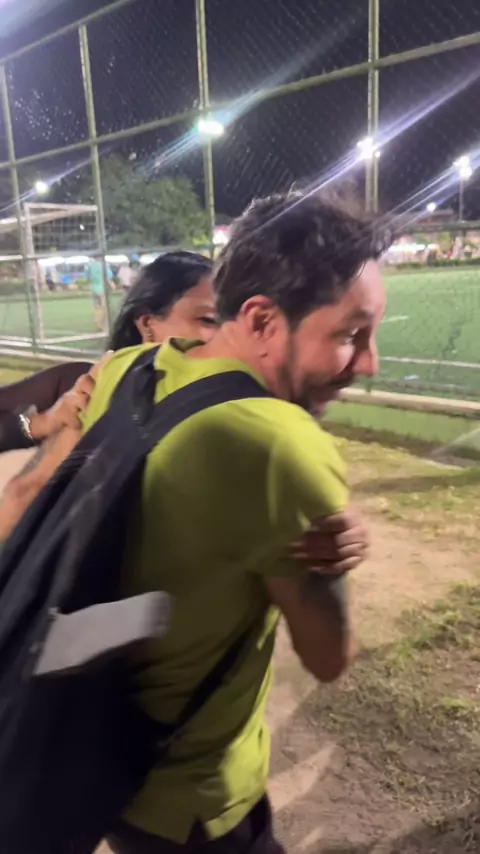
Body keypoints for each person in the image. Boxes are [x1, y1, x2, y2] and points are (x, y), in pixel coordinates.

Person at [75, 191, 390, 853]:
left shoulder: (129, 369)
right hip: (197, 802)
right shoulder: (277, 444)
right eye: (349, 335)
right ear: (263, 319)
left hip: (99, 761)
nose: (369, 363)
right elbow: (329, 657)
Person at [0, 252, 216, 456]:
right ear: (147, 324)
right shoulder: (83, 384)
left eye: (231, 320)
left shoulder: (223, 401)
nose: (225, 334)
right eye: (208, 320)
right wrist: (42, 423)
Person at [89, 255, 115, 332]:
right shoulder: (103, 266)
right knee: (104, 306)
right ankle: (103, 323)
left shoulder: (91, 266)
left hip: (94, 288)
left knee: (97, 306)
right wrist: (112, 284)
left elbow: (89, 276)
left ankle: (97, 321)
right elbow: (108, 276)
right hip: (102, 288)